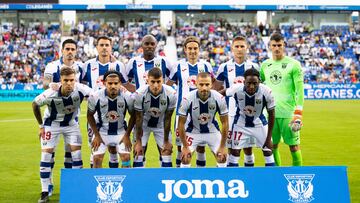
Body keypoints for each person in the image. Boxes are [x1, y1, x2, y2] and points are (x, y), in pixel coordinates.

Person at [32, 67, 92, 203]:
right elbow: (35, 104)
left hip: (71, 125)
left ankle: (76, 188)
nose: (69, 83)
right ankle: (45, 191)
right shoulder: (51, 92)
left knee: (76, 154)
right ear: (61, 80)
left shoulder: (81, 89)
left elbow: (97, 95)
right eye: (66, 80)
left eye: (72, 80)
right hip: (51, 125)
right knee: (46, 154)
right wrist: (41, 126)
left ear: (75, 80)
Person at [42, 38, 85, 196]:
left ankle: (69, 185)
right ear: (62, 51)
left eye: (73, 49)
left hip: (72, 117)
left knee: (70, 153)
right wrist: (51, 85)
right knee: (49, 153)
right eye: (67, 49)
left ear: (76, 51)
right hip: (52, 117)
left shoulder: (80, 66)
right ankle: (49, 184)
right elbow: (45, 83)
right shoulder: (52, 66)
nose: (70, 52)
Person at [167, 36, 214, 167]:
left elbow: (213, 85)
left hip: (202, 112)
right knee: (180, 146)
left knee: (200, 147)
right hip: (182, 113)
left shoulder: (206, 66)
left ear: (199, 50)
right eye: (190, 48)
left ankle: (200, 174)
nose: (192, 51)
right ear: (185, 50)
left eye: (195, 48)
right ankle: (179, 173)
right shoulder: (177, 66)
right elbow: (168, 85)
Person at [214, 35, 260, 167]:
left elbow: (260, 90)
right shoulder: (224, 67)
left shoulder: (254, 66)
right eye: (237, 46)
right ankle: (231, 174)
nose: (239, 49)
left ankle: (249, 175)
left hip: (249, 113)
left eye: (242, 46)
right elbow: (216, 90)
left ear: (247, 48)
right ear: (232, 49)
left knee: (248, 147)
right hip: (230, 113)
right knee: (232, 147)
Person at [260, 32, 305, 166]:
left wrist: (298, 114)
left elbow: (300, 90)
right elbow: (261, 87)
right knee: (272, 146)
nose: (277, 48)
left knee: (294, 146)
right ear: (270, 46)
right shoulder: (265, 65)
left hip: (288, 114)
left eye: (279, 45)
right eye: (274, 45)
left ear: (284, 45)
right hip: (270, 114)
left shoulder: (294, 64)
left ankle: (298, 176)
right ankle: (277, 177)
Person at [83, 36, 126, 168]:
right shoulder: (88, 65)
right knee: (95, 148)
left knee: (113, 149)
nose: (104, 48)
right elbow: (81, 84)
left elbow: (124, 86)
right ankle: (94, 179)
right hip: (95, 114)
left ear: (111, 47)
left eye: (107, 45)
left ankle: (114, 176)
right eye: (101, 45)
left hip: (115, 113)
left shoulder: (118, 65)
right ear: (96, 47)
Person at [226, 68, 276, 167]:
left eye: (255, 83)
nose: (252, 86)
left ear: (259, 82)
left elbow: (272, 114)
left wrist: (269, 138)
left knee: (268, 150)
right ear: (244, 82)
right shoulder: (236, 89)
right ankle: (232, 177)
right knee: (234, 152)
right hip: (240, 124)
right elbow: (223, 92)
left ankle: (270, 179)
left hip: (259, 123)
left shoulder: (267, 92)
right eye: (249, 83)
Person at [177, 72, 228, 168]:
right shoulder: (187, 99)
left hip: (212, 131)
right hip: (193, 132)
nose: (204, 88)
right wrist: (185, 146)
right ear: (196, 84)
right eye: (201, 84)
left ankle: (221, 180)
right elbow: (181, 124)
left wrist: (222, 146)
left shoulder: (219, 98)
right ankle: (185, 181)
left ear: (211, 84)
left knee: (222, 157)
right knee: (185, 158)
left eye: (207, 84)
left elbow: (225, 123)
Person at [87, 71, 134, 168]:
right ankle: (97, 182)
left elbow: (133, 115)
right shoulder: (95, 97)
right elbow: (89, 115)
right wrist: (96, 135)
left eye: (116, 83)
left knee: (126, 157)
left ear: (120, 83)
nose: (113, 86)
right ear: (104, 83)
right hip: (102, 132)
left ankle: (125, 181)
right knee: (96, 159)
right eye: (110, 83)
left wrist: (127, 135)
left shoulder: (128, 96)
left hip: (121, 131)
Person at [132, 68, 176, 167]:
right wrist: (138, 142)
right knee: (138, 152)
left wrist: (166, 141)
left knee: (166, 152)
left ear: (163, 81)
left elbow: (168, 118)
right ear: (147, 81)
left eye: (158, 82)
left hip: (161, 125)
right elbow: (138, 118)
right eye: (152, 82)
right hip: (143, 125)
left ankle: (164, 179)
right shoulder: (140, 94)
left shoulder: (171, 94)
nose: (156, 85)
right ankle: (139, 179)